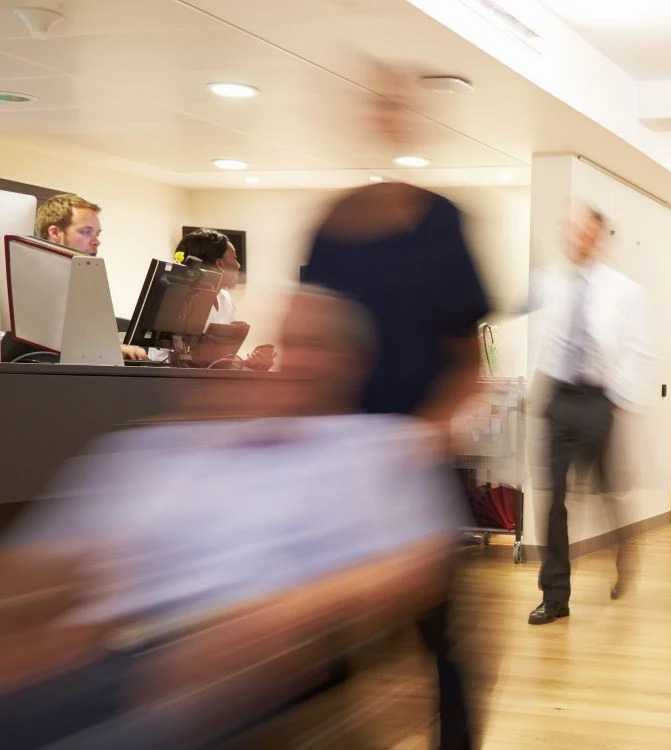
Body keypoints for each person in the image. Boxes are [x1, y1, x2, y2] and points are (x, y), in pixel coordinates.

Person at [0, 288, 463, 750]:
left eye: (316, 346)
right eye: (288, 343)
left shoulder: (371, 451)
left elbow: (416, 566)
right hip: (97, 649)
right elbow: (49, 555)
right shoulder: (152, 449)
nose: (295, 363)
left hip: (222, 670)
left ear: (355, 362)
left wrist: (285, 616)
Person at [299, 65, 491, 750]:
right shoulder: (329, 225)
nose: (383, 114)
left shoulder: (442, 223)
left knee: (439, 632)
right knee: (320, 639)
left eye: (395, 102)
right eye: (373, 102)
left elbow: (470, 364)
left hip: (413, 463)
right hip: (335, 464)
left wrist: (429, 434)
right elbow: (309, 341)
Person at [527, 204, 649, 626]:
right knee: (555, 498)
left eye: (584, 231)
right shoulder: (547, 281)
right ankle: (555, 595)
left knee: (605, 490)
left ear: (597, 238)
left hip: (598, 399)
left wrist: (616, 398)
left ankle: (624, 546)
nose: (575, 237)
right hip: (558, 397)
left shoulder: (624, 290)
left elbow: (636, 348)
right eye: (570, 229)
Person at [0, 193, 148, 362]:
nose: (96, 241)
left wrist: (114, 347)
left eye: (97, 233)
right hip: (21, 370)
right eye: (86, 232)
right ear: (55, 232)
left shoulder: (82, 284)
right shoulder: (27, 277)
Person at [170, 229, 275, 370]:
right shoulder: (181, 301)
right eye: (235, 258)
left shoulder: (225, 299)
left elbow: (220, 361)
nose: (238, 265)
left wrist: (247, 363)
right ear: (220, 264)